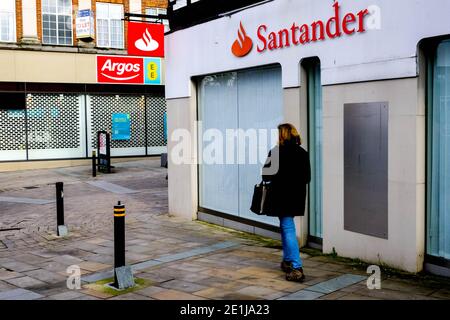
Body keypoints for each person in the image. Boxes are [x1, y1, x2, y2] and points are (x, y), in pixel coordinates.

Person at [262, 123, 311, 282]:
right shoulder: (302, 153)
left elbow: (265, 176)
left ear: (282, 135)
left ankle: (296, 267)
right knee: (285, 226)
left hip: (280, 196)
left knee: (288, 227)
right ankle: (288, 260)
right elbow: (307, 178)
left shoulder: (276, 153)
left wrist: (279, 177)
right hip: (295, 196)